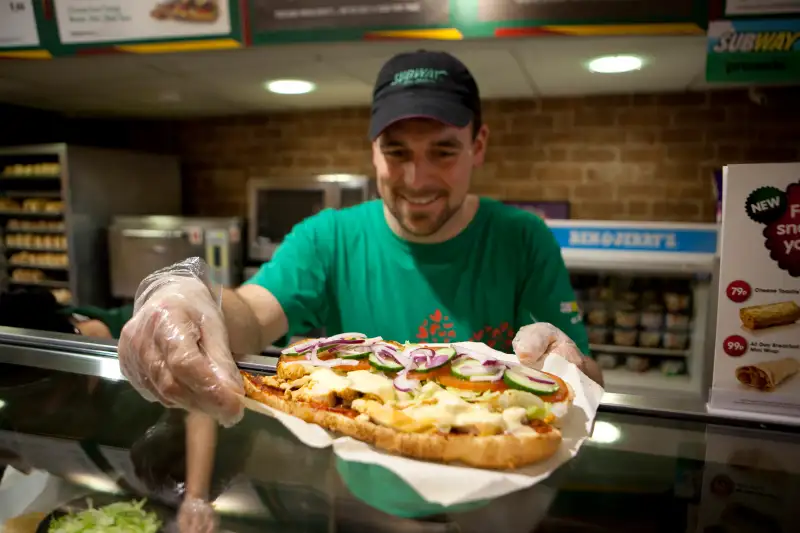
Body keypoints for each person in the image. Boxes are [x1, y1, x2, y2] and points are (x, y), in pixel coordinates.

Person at [118, 50, 603, 528]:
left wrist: (567, 359)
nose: (417, 178)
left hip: (499, 503)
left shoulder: (523, 238)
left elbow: (587, 383)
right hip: (367, 500)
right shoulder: (327, 238)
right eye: (396, 152)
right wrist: (190, 296)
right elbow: (249, 314)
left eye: (443, 150)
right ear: (372, 149)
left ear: (478, 144)